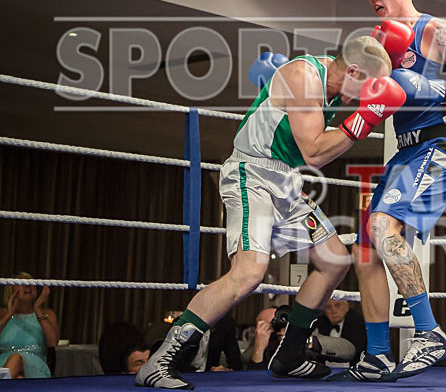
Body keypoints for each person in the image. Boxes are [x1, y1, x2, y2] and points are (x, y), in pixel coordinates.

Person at [136, 36, 405, 388]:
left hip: (285, 181)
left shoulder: (337, 84)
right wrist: (366, 118)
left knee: (334, 260)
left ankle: (290, 355)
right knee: (249, 273)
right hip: (253, 176)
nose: (371, 97)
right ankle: (159, 362)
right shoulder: (305, 78)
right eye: (371, 87)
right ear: (353, 70)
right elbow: (314, 153)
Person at [329, 0, 446, 382]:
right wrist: (350, 91)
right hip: (402, 153)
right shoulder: (377, 42)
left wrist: (429, 86)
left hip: (437, 145)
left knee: (384, 229)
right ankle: (378, 354)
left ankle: (429, 332)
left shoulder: (435, 30)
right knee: (365, 249)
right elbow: (372, 100)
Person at [0, 273, 59, 379]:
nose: (28, 286)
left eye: (31, 283)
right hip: (3, 365)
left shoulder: (47, 314)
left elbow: (53, 342)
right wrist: (8, 315)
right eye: (22, 283)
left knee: (16, 358)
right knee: (19, 378)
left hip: (35, 367)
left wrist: (38, 310)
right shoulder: (1, 314)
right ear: (11, 288)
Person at [310, 299, 366, 366]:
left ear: (347, 307)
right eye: (328, 307)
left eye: (338, 305)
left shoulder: (360, 323)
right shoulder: (318, 323)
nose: (334, 311)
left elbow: (356, 352)